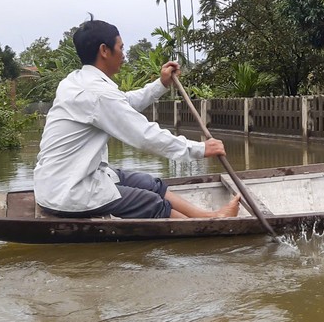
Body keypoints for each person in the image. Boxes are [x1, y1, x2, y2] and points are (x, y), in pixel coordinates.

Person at [33, 18, 240, 219]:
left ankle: (208, 216)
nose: (123, 55)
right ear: (104, 51)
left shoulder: (76, 82)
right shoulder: (96, 93)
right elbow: (144, 136)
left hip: (62, 181)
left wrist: (161, 84)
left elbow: (124, 102)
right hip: (69, 192)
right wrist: (200, 149)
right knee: (149, 201)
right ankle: (206, 227)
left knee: (149, 183)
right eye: (121, 48)